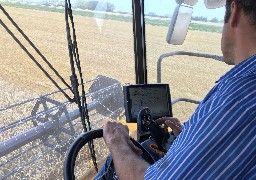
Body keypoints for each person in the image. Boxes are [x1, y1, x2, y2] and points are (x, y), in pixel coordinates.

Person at [97, 0, 256, 179]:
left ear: (234, 12)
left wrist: (116, 142)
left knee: (114, 160)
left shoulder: (239, 99)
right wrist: (191, 137)